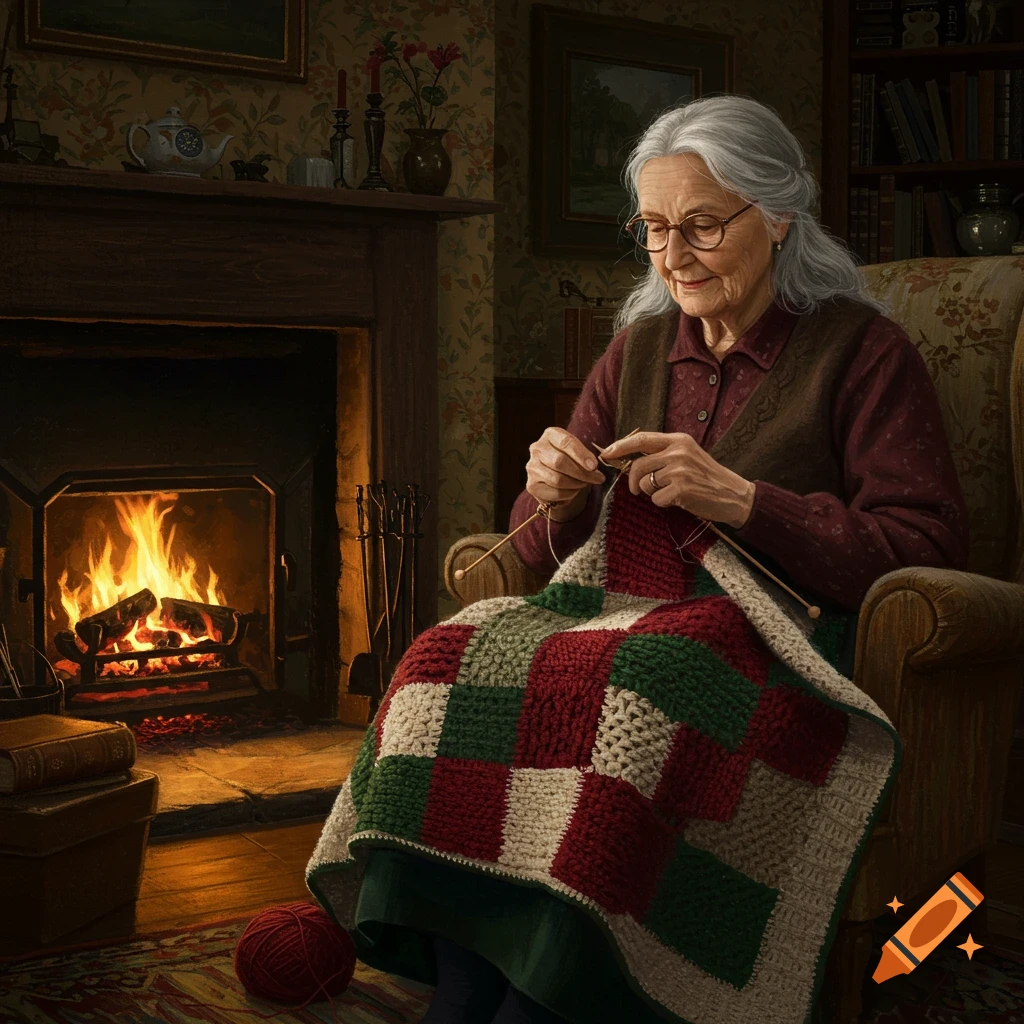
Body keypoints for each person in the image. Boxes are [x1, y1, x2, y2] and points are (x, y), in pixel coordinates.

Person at [319, 95, 968, 1024]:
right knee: (449, 654)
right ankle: (468, 985)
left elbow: (927, 549)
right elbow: (543, 557)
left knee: (636, 680)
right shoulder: (637, 350)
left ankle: (562, 993)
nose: (672, 255)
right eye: (655, 228)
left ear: (780, 215)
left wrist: (744, 500)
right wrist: (553, 494)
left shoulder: (862, 353)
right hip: (623, 618)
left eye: (702, 225)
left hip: (779, 646)